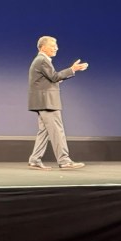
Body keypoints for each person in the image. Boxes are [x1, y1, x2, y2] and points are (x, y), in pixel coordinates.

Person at [27, 35, 88, 170]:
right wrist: (72, 69)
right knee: (57, 131)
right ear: (43, 47)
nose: (56, 48)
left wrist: (61, 77)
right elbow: (54, 77)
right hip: (47, 102)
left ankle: (35, 160)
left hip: (43, 102)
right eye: (53, 46)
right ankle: (64, 160)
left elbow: (48, 79)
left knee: (44, 132)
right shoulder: (42, 60)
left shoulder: (41, 60)